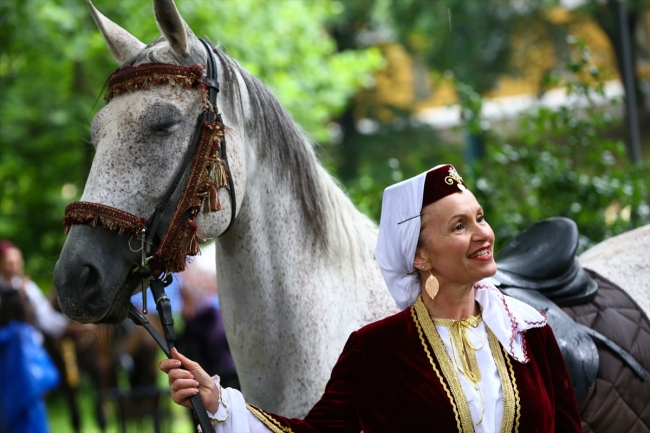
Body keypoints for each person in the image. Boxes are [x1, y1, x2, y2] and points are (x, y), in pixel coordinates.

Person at [160, 164, 582, 432]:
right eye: (458, 226)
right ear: (419, 255)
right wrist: (219, 404)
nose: (482, 234)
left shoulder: (527, 332)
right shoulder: (377, 349)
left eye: (479, 218)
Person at [0, 240, 69, 342]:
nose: (15, 266)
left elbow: (46, 317)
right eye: (10, 262)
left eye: (18, 261)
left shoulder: (27, 287)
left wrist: (71, 326)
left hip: (27, 345)